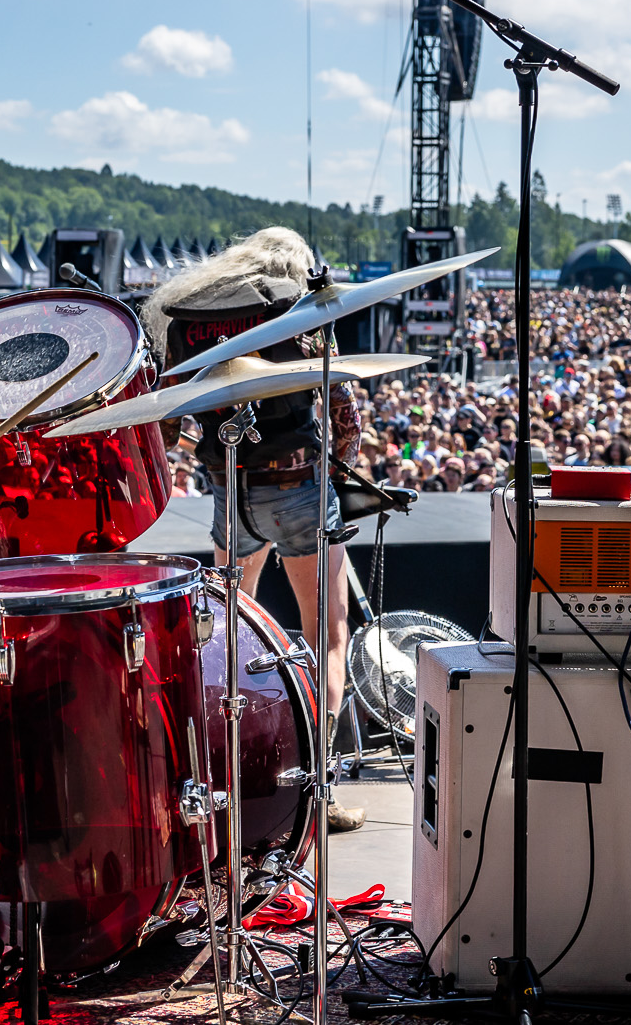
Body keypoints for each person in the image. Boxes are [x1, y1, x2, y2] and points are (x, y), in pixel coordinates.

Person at [144, 227, 368, 832]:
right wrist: (342, 463)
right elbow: (343, 413)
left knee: (226, 638)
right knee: (329, 634)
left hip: (229, 491)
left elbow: (165, 421)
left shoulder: (191, 314)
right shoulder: (298, 306)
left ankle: (222, 782)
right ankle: (316, 796)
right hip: (298, 487)